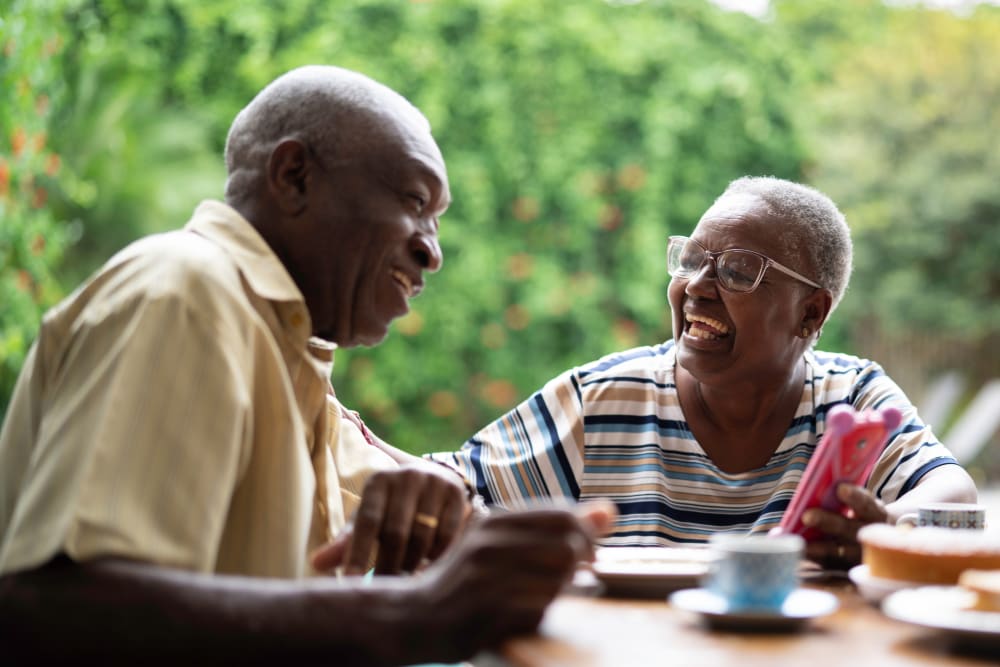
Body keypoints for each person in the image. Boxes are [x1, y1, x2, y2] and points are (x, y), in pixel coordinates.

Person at [0, 65, 615, 665]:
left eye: (437, 220)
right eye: (413, 201)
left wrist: (443, 506)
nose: (432, 251)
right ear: (294, 176)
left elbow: (420, 494)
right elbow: (55, 609)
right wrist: (414, 614)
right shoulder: (185, 293)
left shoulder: (285, 351)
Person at [427, 176, 977, 568]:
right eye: (691, 260)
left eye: (738, 271)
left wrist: (886, 529)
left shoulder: (850, 397)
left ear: (810, 313)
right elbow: (454, 483)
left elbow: (953, 493)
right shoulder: (607, 398)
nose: (694, 286)